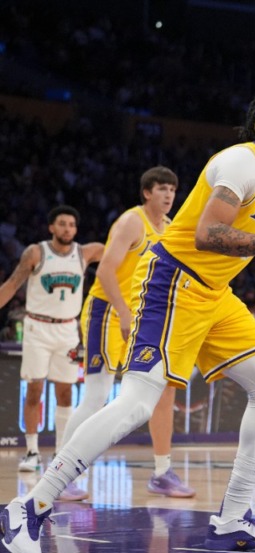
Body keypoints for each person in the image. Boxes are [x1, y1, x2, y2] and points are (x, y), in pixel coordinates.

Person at [1, 93, 255, 553]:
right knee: (136, 403)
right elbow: (206, 234)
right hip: (172, 282)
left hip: (216, 296)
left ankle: (235, 514)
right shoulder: (240, 162)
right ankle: (30, 505)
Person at [65, 167, 195, 500]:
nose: (169, 195)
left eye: (173, 190)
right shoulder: (131, 222)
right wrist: (124, 313)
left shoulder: (169, 228)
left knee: (161, 391)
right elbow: (106, 271)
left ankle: (162, 472)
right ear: (147, 192)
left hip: (141, 318)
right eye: (162, 189)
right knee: (97, 394)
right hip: (107, 311)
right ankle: (62, 472)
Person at [0, 206, 103, 476]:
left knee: (65, 392)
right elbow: (12, 284)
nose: (67, 228)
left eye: (71, 224)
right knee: (34, 390)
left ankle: (61, 453)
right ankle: (32, 452)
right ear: (51, 228)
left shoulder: (85, 252)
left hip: (68, 330)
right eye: (62, 224)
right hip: (37, 328)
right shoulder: (36, 252)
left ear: (76, 230)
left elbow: (122, 250)